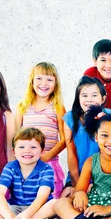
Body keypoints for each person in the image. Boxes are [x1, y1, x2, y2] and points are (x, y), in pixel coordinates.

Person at [15, 62, 67, 198]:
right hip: (26, 162)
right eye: (39, 78)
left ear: (55, 84)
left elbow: (65, 139)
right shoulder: (23, 107)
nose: (44, 83)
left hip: (48, 162)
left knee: (50, 199)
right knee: (28, 197)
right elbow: (15, 138)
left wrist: (46, 157)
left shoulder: (58, 107)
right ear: (32, 81)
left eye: (49, 79)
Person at [62, 76, 107, 197]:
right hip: (77, 176)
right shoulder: (70, 118)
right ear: (78, 98)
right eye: (84, 95)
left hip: (103, 178)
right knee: (64, 201)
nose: (89, 100)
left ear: (103, 99)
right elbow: (71, 154)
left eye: (94, 95)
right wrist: (77, 186)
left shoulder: (109, 117)